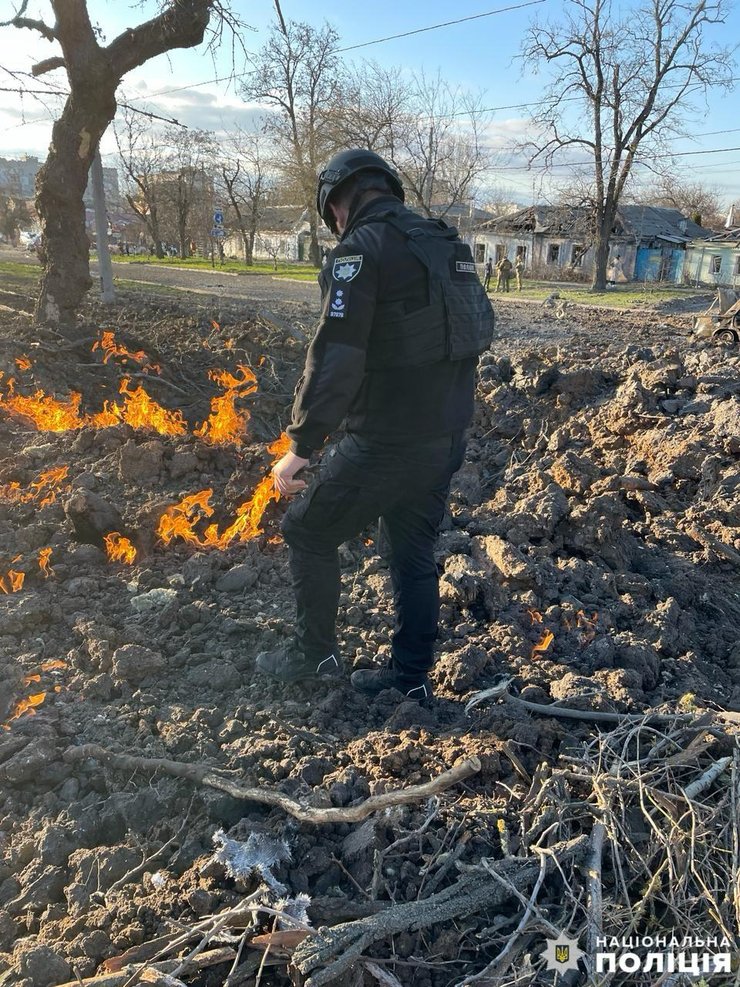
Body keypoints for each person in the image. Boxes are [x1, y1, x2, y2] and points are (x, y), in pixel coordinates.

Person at [255, 148, 494, 700]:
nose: (335, 222)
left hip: (388, 439)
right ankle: (410, 680)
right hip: (447, 435)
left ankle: (312, 658)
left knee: (307, 531)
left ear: (340, 199)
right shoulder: (443, 241)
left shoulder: (359, 250)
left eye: (332, 211)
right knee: (411, 554)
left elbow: (337, 351)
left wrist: (304, 444)